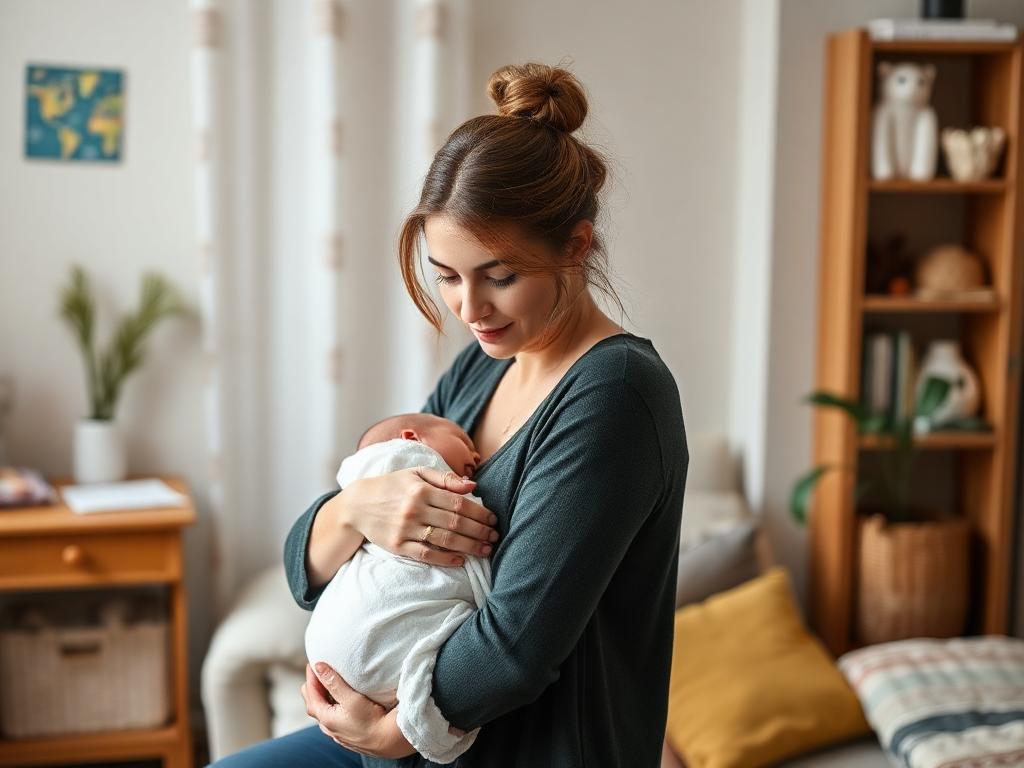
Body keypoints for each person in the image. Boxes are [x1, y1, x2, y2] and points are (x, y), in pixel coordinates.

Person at [211, 61, 687, 768]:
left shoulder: (614, 394)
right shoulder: (483, 365)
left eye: (500, 277)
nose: (469, 310)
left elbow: (516, 645)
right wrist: (354, 512)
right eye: (447, 276)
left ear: (576, 247)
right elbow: (305, 571)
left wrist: (397, 732)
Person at [304, 413, 493, 763]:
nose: (477, 455)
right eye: (465, 443)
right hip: (357, 707)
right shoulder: (398, 460)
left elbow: (513, 641)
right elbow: (296, 558)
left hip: (385, 724)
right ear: (411, 438)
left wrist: (390, 735)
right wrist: (352, 507)